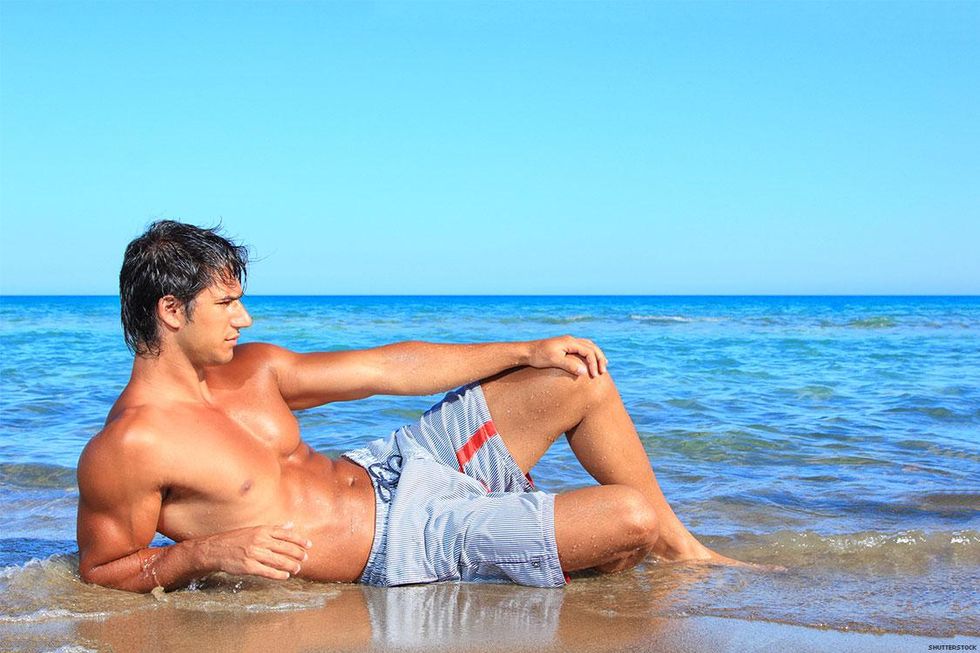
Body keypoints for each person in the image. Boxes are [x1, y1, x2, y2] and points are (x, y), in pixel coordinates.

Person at [76, 220, 741, 593]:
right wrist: (205, 554)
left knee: (578, 377)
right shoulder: (131, 446)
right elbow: (104, 568)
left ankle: (684, 549)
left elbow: (389, 367)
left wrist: (529, 349)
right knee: (630, 516)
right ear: (171, 310)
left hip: (400, 463)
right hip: (400, 542)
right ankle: (554, 553)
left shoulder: (251, 370)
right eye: (226, 305)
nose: (244, 319)